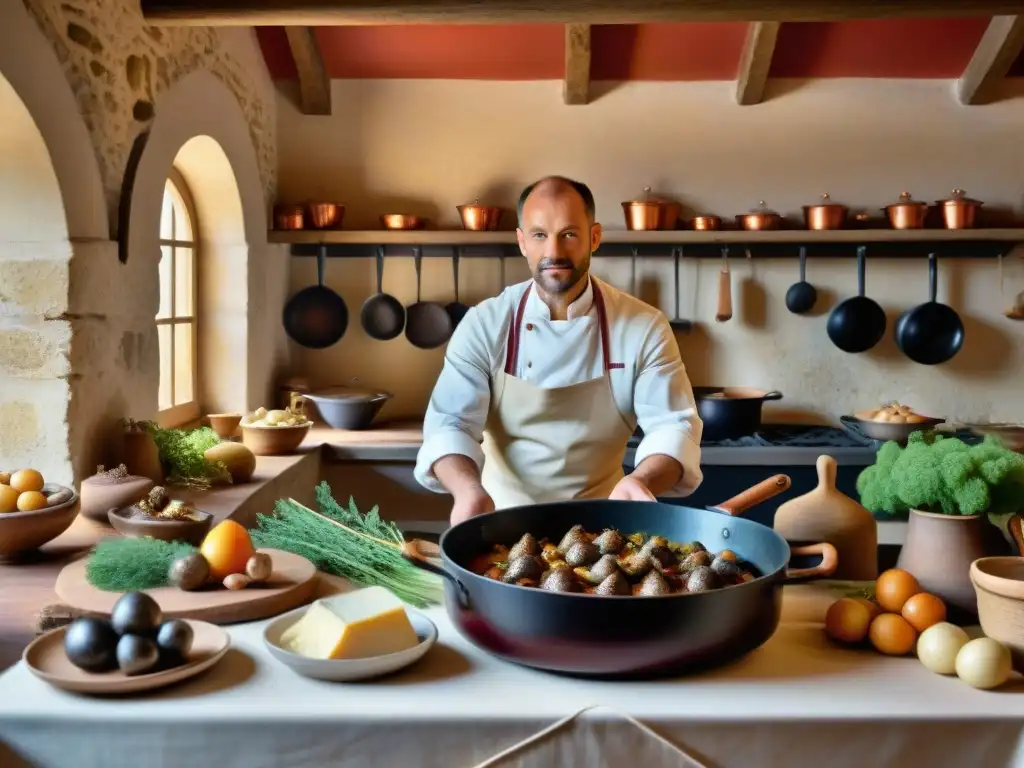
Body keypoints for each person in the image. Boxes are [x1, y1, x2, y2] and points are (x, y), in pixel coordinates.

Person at [413, 175, 703, 525]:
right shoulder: (485, 324)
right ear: (522, 242)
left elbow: (673, 427)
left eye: (569, 234)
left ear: (593, 237)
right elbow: (450, 424)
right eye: (539, 235)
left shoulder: (643, 327)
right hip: (499, 524)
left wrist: (641, 481)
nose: (553, 252)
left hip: (605, 533)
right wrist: (467, 491)